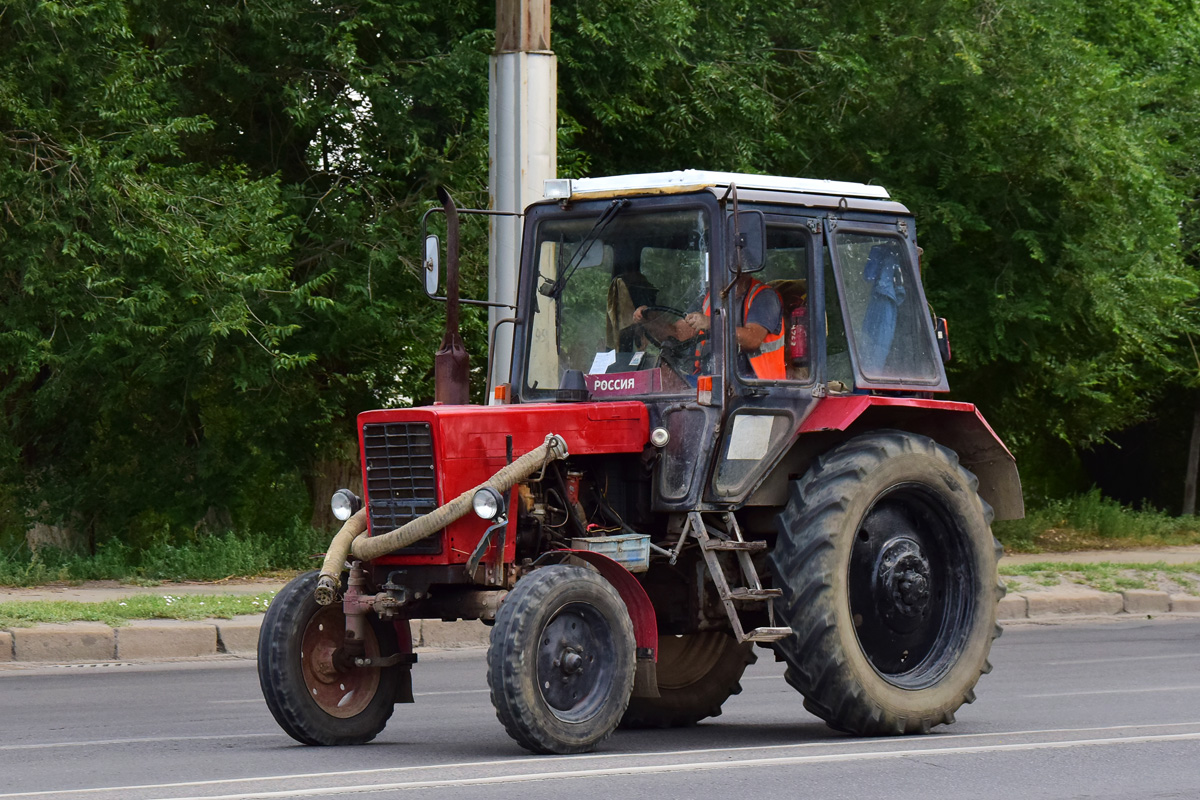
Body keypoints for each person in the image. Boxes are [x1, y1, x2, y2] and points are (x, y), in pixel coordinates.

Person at [633, 273, 785, 380]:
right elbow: (678, 333)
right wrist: (649, 321)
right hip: (712, 380)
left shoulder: (764, 297)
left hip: (758, 388)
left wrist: (710, 323)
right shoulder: (708, 299)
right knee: (668, 385)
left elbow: (752, 339)